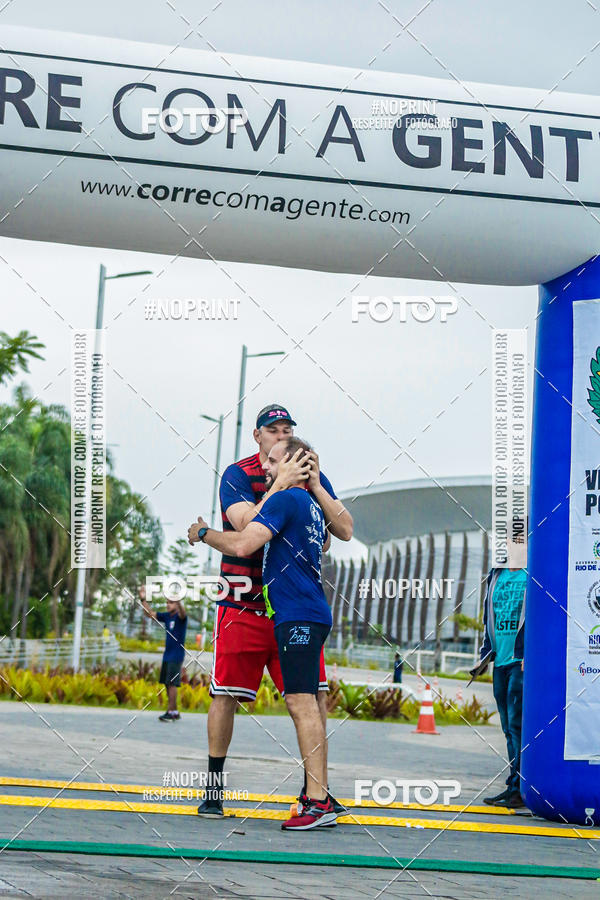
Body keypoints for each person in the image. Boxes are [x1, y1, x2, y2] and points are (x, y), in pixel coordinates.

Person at [188, 404, 353, 818]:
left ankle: (317, 793)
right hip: (243, 602)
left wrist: (310, 486)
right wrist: (280, 485)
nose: (281, 435)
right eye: (273, 429)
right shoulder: (240, 474)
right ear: (258, 436)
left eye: (287, 429)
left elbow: (339, 532)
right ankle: (213, 789)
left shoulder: (306, 470)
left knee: (312, 699)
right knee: (225, 694)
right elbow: (246, 530)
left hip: (292, 608)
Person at [470, 537, 526, 808]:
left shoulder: (532, 573)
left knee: (517, 726)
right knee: (507, 728)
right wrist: (484, 655)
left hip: (520, 661)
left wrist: (531, 654)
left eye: (516, 539)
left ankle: (519, 787)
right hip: (500, 661)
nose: (510, 544)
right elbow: (487, 618)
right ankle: (514, 783)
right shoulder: (496, 575)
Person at [140, 586, 188, 722]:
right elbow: (149, 614)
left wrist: (178, 601)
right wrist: (143, 598)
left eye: (170, 602)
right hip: (167, 655)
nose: (167, 605)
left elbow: (183, 612)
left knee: (172, 683)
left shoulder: (181, 618)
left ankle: (171, 712)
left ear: (177, 605)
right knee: (167, 683)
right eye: (167, 602)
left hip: (177, 655)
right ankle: (174, 710)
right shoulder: (167, 616)